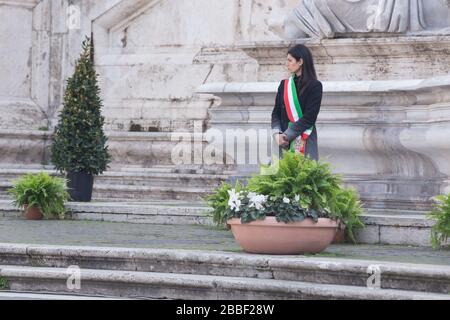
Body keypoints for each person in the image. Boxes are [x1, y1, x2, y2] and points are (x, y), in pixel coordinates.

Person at [271, 44, 323, 161]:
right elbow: (276, 113)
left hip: (305, 138)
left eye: (290, 60)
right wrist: (277, 133)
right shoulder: (284, 85)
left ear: (300, 62)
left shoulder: (315, 86)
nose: (287, 64)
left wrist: (287, 135)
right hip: (282, 141)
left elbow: (310, 117)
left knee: (305, 176)